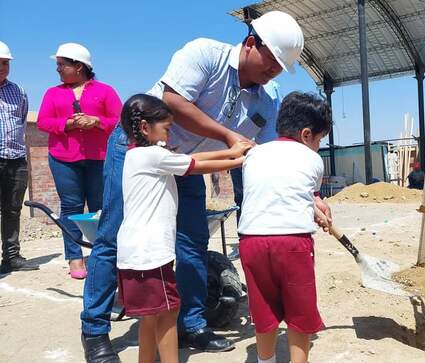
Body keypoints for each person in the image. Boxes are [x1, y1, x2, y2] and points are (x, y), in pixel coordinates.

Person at [80, 11, 329, 361]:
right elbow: (173, 102)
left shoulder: (267, 99)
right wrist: (228, 136)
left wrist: (311, 196)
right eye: (271, 63)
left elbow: (277, 153)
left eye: (279, 69)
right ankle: (95, 330)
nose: (273, 73)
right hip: (140, 151)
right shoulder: (204, 54)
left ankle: (191, 323)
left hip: (190, 165)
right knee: (113, 235)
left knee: (192, 242)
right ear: (250, 43)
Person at [117, 94, 251, 363]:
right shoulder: (153, 156)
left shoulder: (139, 155)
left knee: (150, 318)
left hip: (135, 253)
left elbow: (190, 157)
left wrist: (231, 151)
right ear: (145, 127)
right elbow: (196, 165)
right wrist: (241, 161)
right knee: (168, 315)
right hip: (150, 253)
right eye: (166, 129)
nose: (168, 135)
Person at [237, 92, 332, 363]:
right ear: (306, 135)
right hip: (292, 242)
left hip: (251, 241)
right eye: (319, 139)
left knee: (263, 308)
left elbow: (282, 192)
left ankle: (264, 360)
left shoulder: (254, 155)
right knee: (299, 311)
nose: (318, 146)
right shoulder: (313, 160)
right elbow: (307, 196)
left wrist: (316, 208)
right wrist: (319, 209)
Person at [37, 43, 121, 279]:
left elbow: (119, 119)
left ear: (79, 66)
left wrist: (96, 121)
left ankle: (99, 255)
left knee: (99, 208)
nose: (58, 69)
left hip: (99, 158)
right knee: (71, 207)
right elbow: (43, 122)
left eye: (61, 65)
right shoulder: (52, 93)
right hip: (63, 158)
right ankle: (74, 257)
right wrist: (68, 124)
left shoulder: (105, 91)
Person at [0, 41, 38, 274]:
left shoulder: (18, 91)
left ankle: (11, 257)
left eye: (5, 63)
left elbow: (22, 121)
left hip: (16, 159)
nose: (2, 67)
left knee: (12, 210)